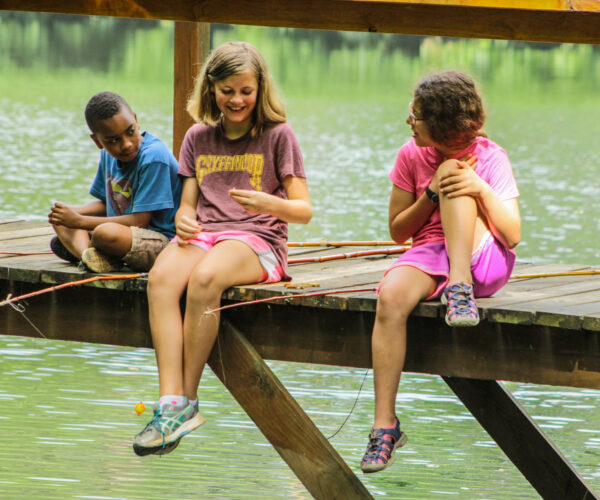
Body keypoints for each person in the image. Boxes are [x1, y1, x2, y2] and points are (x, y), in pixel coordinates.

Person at [133, 41, 312, 456]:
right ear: (211, 88)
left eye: (246, 91)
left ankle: (188, 401)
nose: (236, 100)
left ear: (260, 89)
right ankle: (170, 402)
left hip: (258, 239)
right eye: (227, 90)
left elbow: (303, 210)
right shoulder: (197, 136)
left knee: (205, 278)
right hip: (206, 234)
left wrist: (269, 203)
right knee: (160, 280)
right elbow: (188, 204)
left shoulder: (279, 135)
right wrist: (183, 218)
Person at [360, 71, 521, 473]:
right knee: (391, 297)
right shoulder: (410, 155)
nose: (408, 121)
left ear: (441, 125)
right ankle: (384, 426)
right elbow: (399, 232)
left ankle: (460, 287)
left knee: (455, 178)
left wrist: (479, 188)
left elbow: (513, 235)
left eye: (415, 115)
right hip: (431, 255)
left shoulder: (492, 157)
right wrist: (430, 191)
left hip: (482, 259)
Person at [48, 91, 182, 273]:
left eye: (130, 132)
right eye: (113, 140)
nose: (126, 144)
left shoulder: (153, 157)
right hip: (122, 230)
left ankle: (89, 251)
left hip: (160, 239)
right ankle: (89, 256)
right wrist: (70, 213)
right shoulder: (107, 155)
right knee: (60, 219)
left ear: (135, 120)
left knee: (105, 233)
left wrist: (79, 220)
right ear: (97, 141)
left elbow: (140, 220)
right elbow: (108, 204)